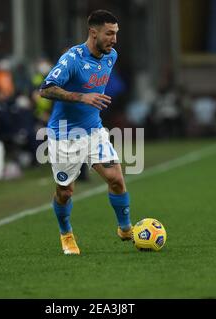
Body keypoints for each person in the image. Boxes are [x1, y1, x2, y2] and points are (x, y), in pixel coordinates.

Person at [39, 10, 132, 255]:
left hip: (93, 131)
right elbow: (45, 89)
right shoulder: (72, 59)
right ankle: (66, 234)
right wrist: (81, 97)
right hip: (64, 135)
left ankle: (125, 229)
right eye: (109, 33)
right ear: (93, 32)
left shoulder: (111, 56)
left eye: (116, 33)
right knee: (65, 191)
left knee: (116, 179)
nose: (114, 39)